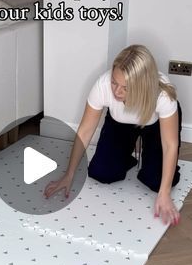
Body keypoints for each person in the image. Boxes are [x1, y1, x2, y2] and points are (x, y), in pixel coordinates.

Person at [44, 44, 182, 226]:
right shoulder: (102, 85)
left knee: (155, 181)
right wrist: (69, 174)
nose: (117, 91)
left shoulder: (163, 95)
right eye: (114, 82)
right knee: (101, 173)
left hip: (156, 126)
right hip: (120, 123)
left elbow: (169, 145)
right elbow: (84, 132)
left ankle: (150, 162)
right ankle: (126, 156)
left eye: (125, 87)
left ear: (142, 85)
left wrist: (164, 193)